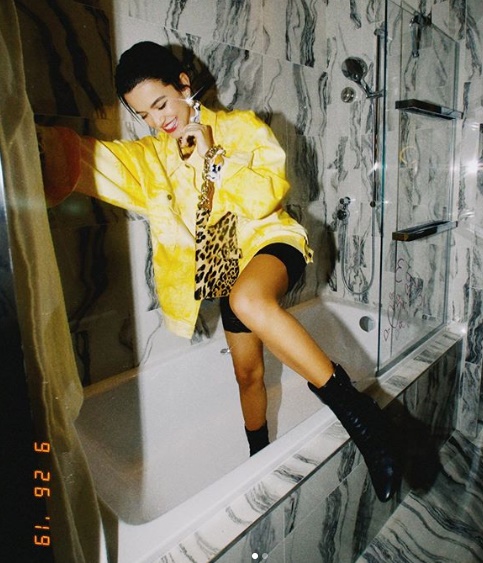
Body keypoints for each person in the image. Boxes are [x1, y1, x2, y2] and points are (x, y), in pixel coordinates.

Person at [38, 41, 401, 502]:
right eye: (143, 114)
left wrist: (214, 159)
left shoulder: (240, 128)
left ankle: (362, 418)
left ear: (183, 85)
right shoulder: (154, 157)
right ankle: (259, 457)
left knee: (247, 299)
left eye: (161, 104)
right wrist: (30, 144)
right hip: (227, 271)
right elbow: (94, 160)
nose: (157, 121)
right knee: (247, 375)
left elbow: (267, 195)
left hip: (272, 243)